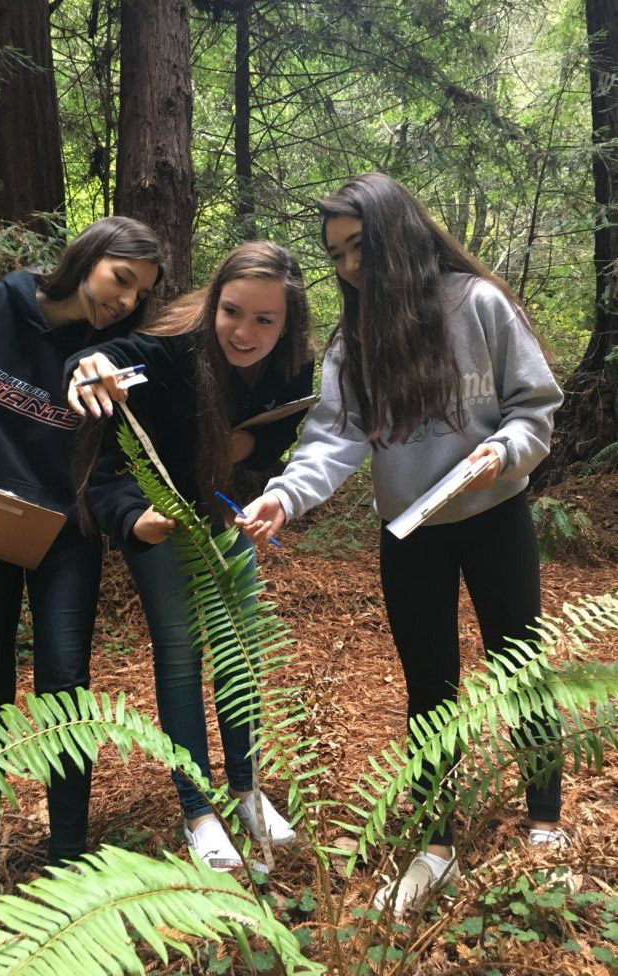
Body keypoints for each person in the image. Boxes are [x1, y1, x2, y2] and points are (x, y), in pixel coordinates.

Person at [238, 173, 566, 912]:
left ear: (396, 234)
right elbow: (334, 438)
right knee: (430, 685)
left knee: (521, 667)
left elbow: (534, 405)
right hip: (409, 529)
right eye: (337, 255)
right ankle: (436, 843)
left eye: (359, 247)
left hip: (493, 515)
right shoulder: (355, 340)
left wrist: (505, 450)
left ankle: (545, 821)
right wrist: (283, 495)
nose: (349, 266)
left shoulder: (476, 303)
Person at [0, 216, 164, 947]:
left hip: (66, 543)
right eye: (121, 280)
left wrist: (133, 515)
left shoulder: (105, 363)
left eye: (140, 293)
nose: (126, 301)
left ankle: (70, 871)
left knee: (66, 697)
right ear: (88, 257)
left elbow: (108, 465)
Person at [65, 241, 314, 869]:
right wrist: (89, 365)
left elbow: (283, 429)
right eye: (232, 312)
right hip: (163, 525)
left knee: (241, 655)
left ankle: (248, 791)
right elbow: (108, 361)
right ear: (213, 305)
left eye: (265, 319)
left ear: (287, 324)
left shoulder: (290, 366)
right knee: (181, 659)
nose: (245, 331)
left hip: (227, 520)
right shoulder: (173, 351)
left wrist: (248, 443)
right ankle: (199, 811)